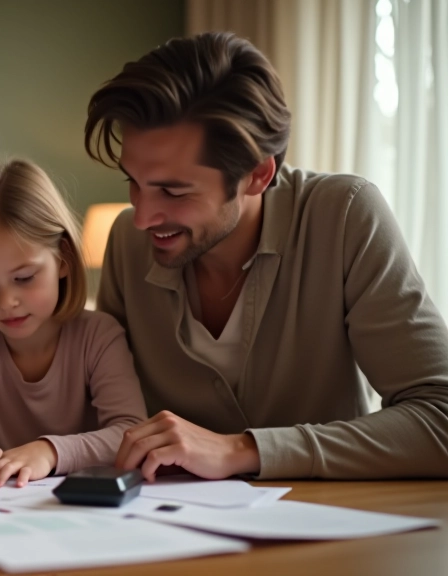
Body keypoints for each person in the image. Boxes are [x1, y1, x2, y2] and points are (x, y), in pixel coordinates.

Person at [87, 32, 448, 481]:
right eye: (133, 182)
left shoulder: (344, 216)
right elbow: (100, 411)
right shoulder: (127, 241)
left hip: (330, 517)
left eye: (173, 192)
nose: (142, 217)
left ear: (258, 174)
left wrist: (242, 450)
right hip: (168, 519)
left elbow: (440, 418)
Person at [0, 159, 147, 487]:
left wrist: (49, 452)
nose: (7, 301)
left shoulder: (100, 336)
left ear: (63, 259)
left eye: (24, 277)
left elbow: (130, 432)